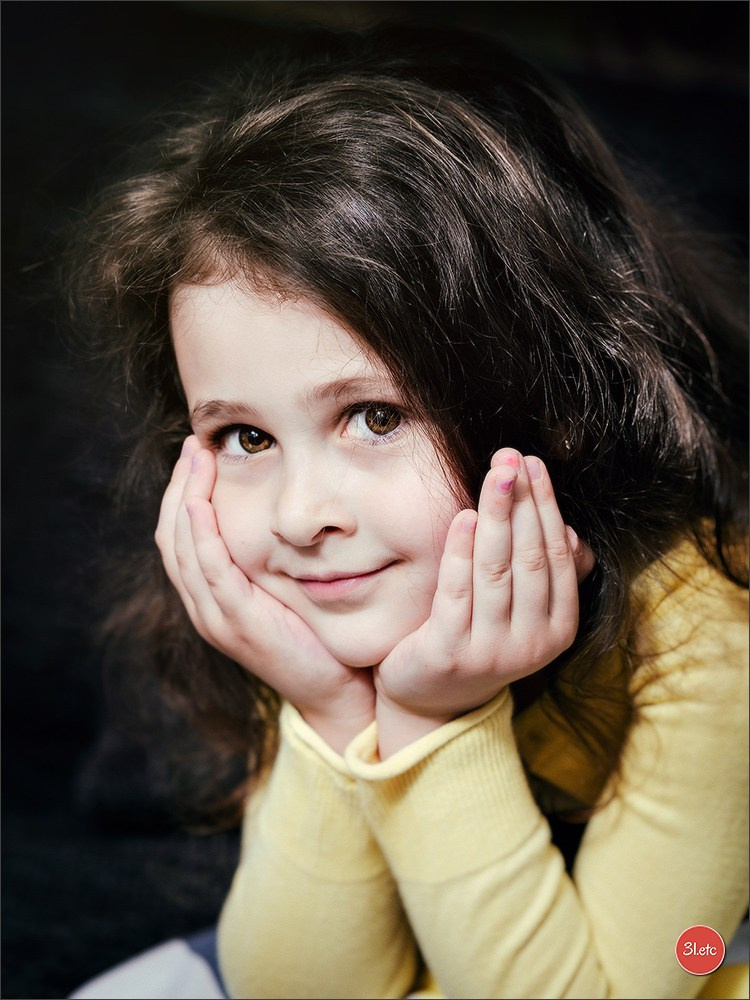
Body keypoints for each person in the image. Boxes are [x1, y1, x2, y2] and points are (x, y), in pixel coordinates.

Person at [67, 24, 747, 1000]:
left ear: (550, 401)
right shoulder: (321, 586)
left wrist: (434, 719)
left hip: (691, 938)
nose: (300, 516)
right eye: (245, 438)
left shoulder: (707, 632)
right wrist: (332, 708)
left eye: (375, 415)